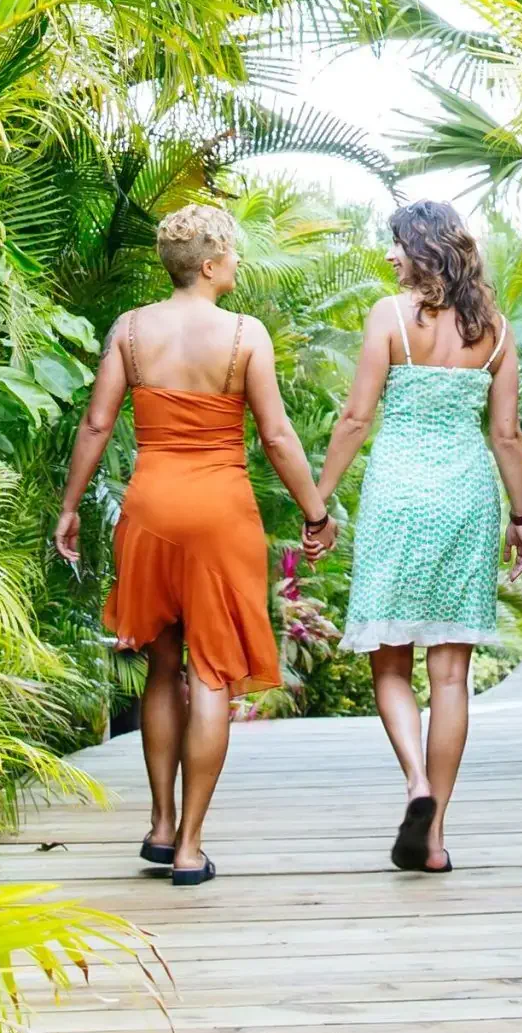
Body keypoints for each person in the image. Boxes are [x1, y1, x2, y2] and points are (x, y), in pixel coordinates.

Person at [56, 203, 334, 887]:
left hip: (150, 508)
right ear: (210, 264)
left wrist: (69, 506)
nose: (238, 262)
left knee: (161, 665)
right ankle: (190, 844)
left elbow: (96, 425)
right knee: (212, 673)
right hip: (220, 513)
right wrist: (315, 510)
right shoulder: (245, 336)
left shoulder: (129, 330)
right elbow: (275, 436)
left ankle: (157, 822)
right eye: (233, 252)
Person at [317, 199, 522, 875]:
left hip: (400, 495)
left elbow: (355, 418)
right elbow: (506, 434)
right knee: (451, 674)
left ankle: (415, 781)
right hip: (466, 495)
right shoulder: (494, 328)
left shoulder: (389, 316)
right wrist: (521, 518)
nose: (388, 257)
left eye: (396, 245)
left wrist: (318, 499)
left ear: (422, 250)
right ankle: (434, 833)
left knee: (389, 660)